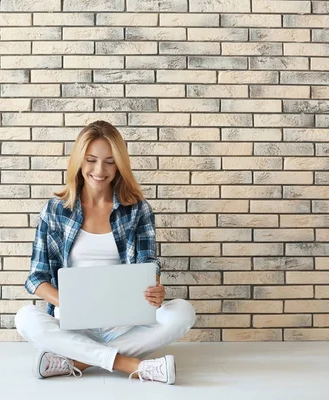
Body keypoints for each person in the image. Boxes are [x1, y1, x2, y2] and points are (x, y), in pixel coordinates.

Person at [14, 120, 196, 384]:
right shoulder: (55, 210)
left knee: (182, 312)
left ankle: (77, 362)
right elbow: (36, 278)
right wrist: (72, 304)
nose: (100, 170)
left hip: (124, 322)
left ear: (120, 164)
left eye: (110, 161)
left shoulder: (137, 209)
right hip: (73, 321)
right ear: (79, 161)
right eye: (91, 160)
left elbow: (147, 263)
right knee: (25, 318)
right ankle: (131, 365)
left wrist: (154, 289)